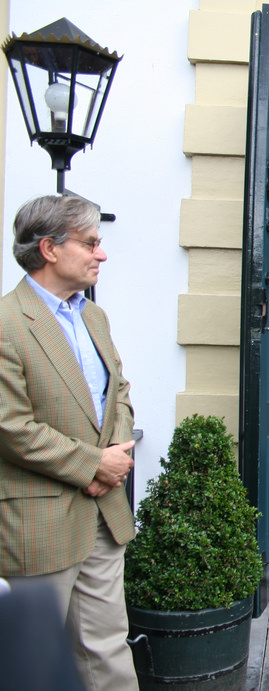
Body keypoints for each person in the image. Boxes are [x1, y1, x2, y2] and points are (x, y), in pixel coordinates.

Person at [0, 195, 137, 691]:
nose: (102, 254)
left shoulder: (93, 316)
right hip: (39, 523)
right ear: (50, 249)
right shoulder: (7, 322)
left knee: (108, 652)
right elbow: (10, 426)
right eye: (91, 243)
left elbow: (119, 394)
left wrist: (114, 458)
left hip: (104, 515)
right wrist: (93, 465)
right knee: (32, 665)